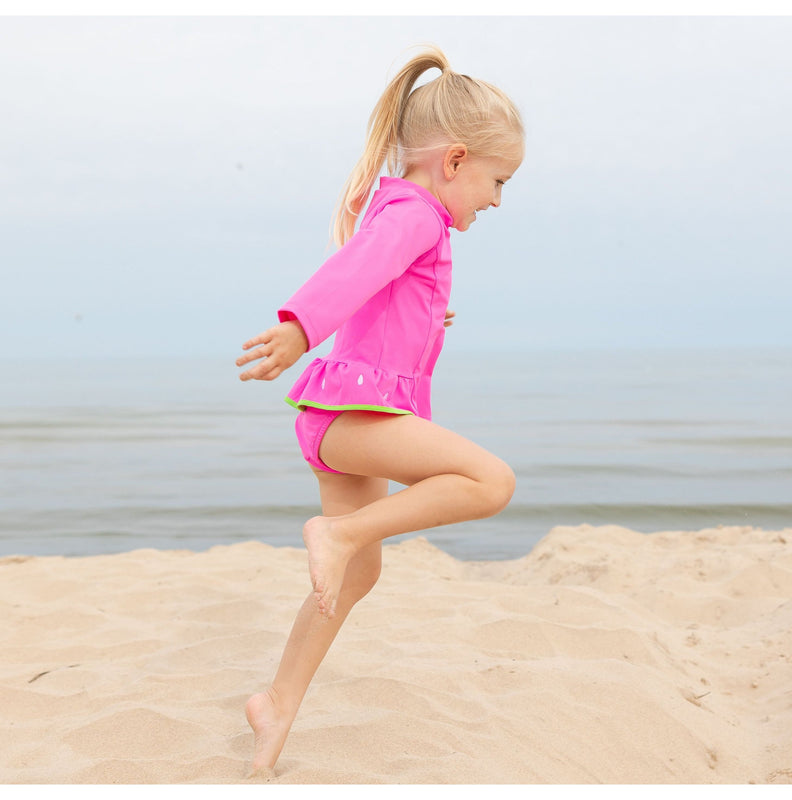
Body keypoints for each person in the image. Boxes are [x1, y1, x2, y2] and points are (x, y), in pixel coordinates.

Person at [235, 45, 524, 776]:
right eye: (498, 180)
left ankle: (276, 704)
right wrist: (299, 324)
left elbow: (380, 288)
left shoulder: (403, 210)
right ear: (455, 160)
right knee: (491, 483)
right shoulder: (416, 215)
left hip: (341, 417)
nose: (496, 199)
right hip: (356, 417)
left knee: (357, 577)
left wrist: (428, 315)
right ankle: (336, 535)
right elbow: (354, 272)